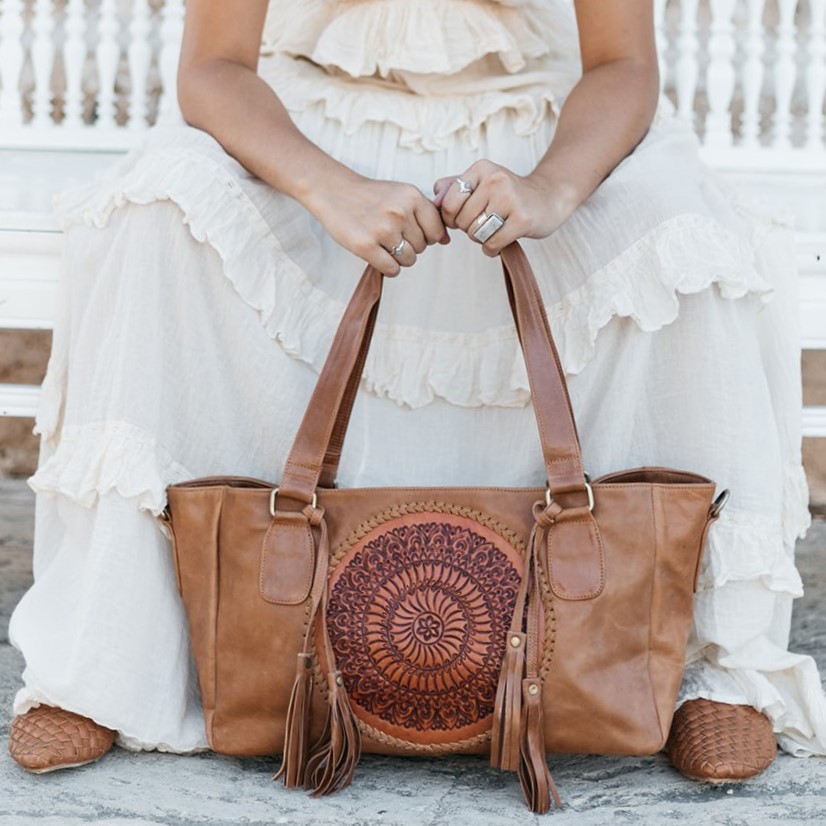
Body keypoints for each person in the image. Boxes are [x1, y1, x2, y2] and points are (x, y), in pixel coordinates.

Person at [7, 0, 826, 785]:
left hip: (542, 133)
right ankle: (105, 663)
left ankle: (717, 668)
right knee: (151, 225)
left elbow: (622, 65)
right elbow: (213, 69)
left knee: (688, 248)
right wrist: (327, 187)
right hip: (301, 138)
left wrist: (549, 191)